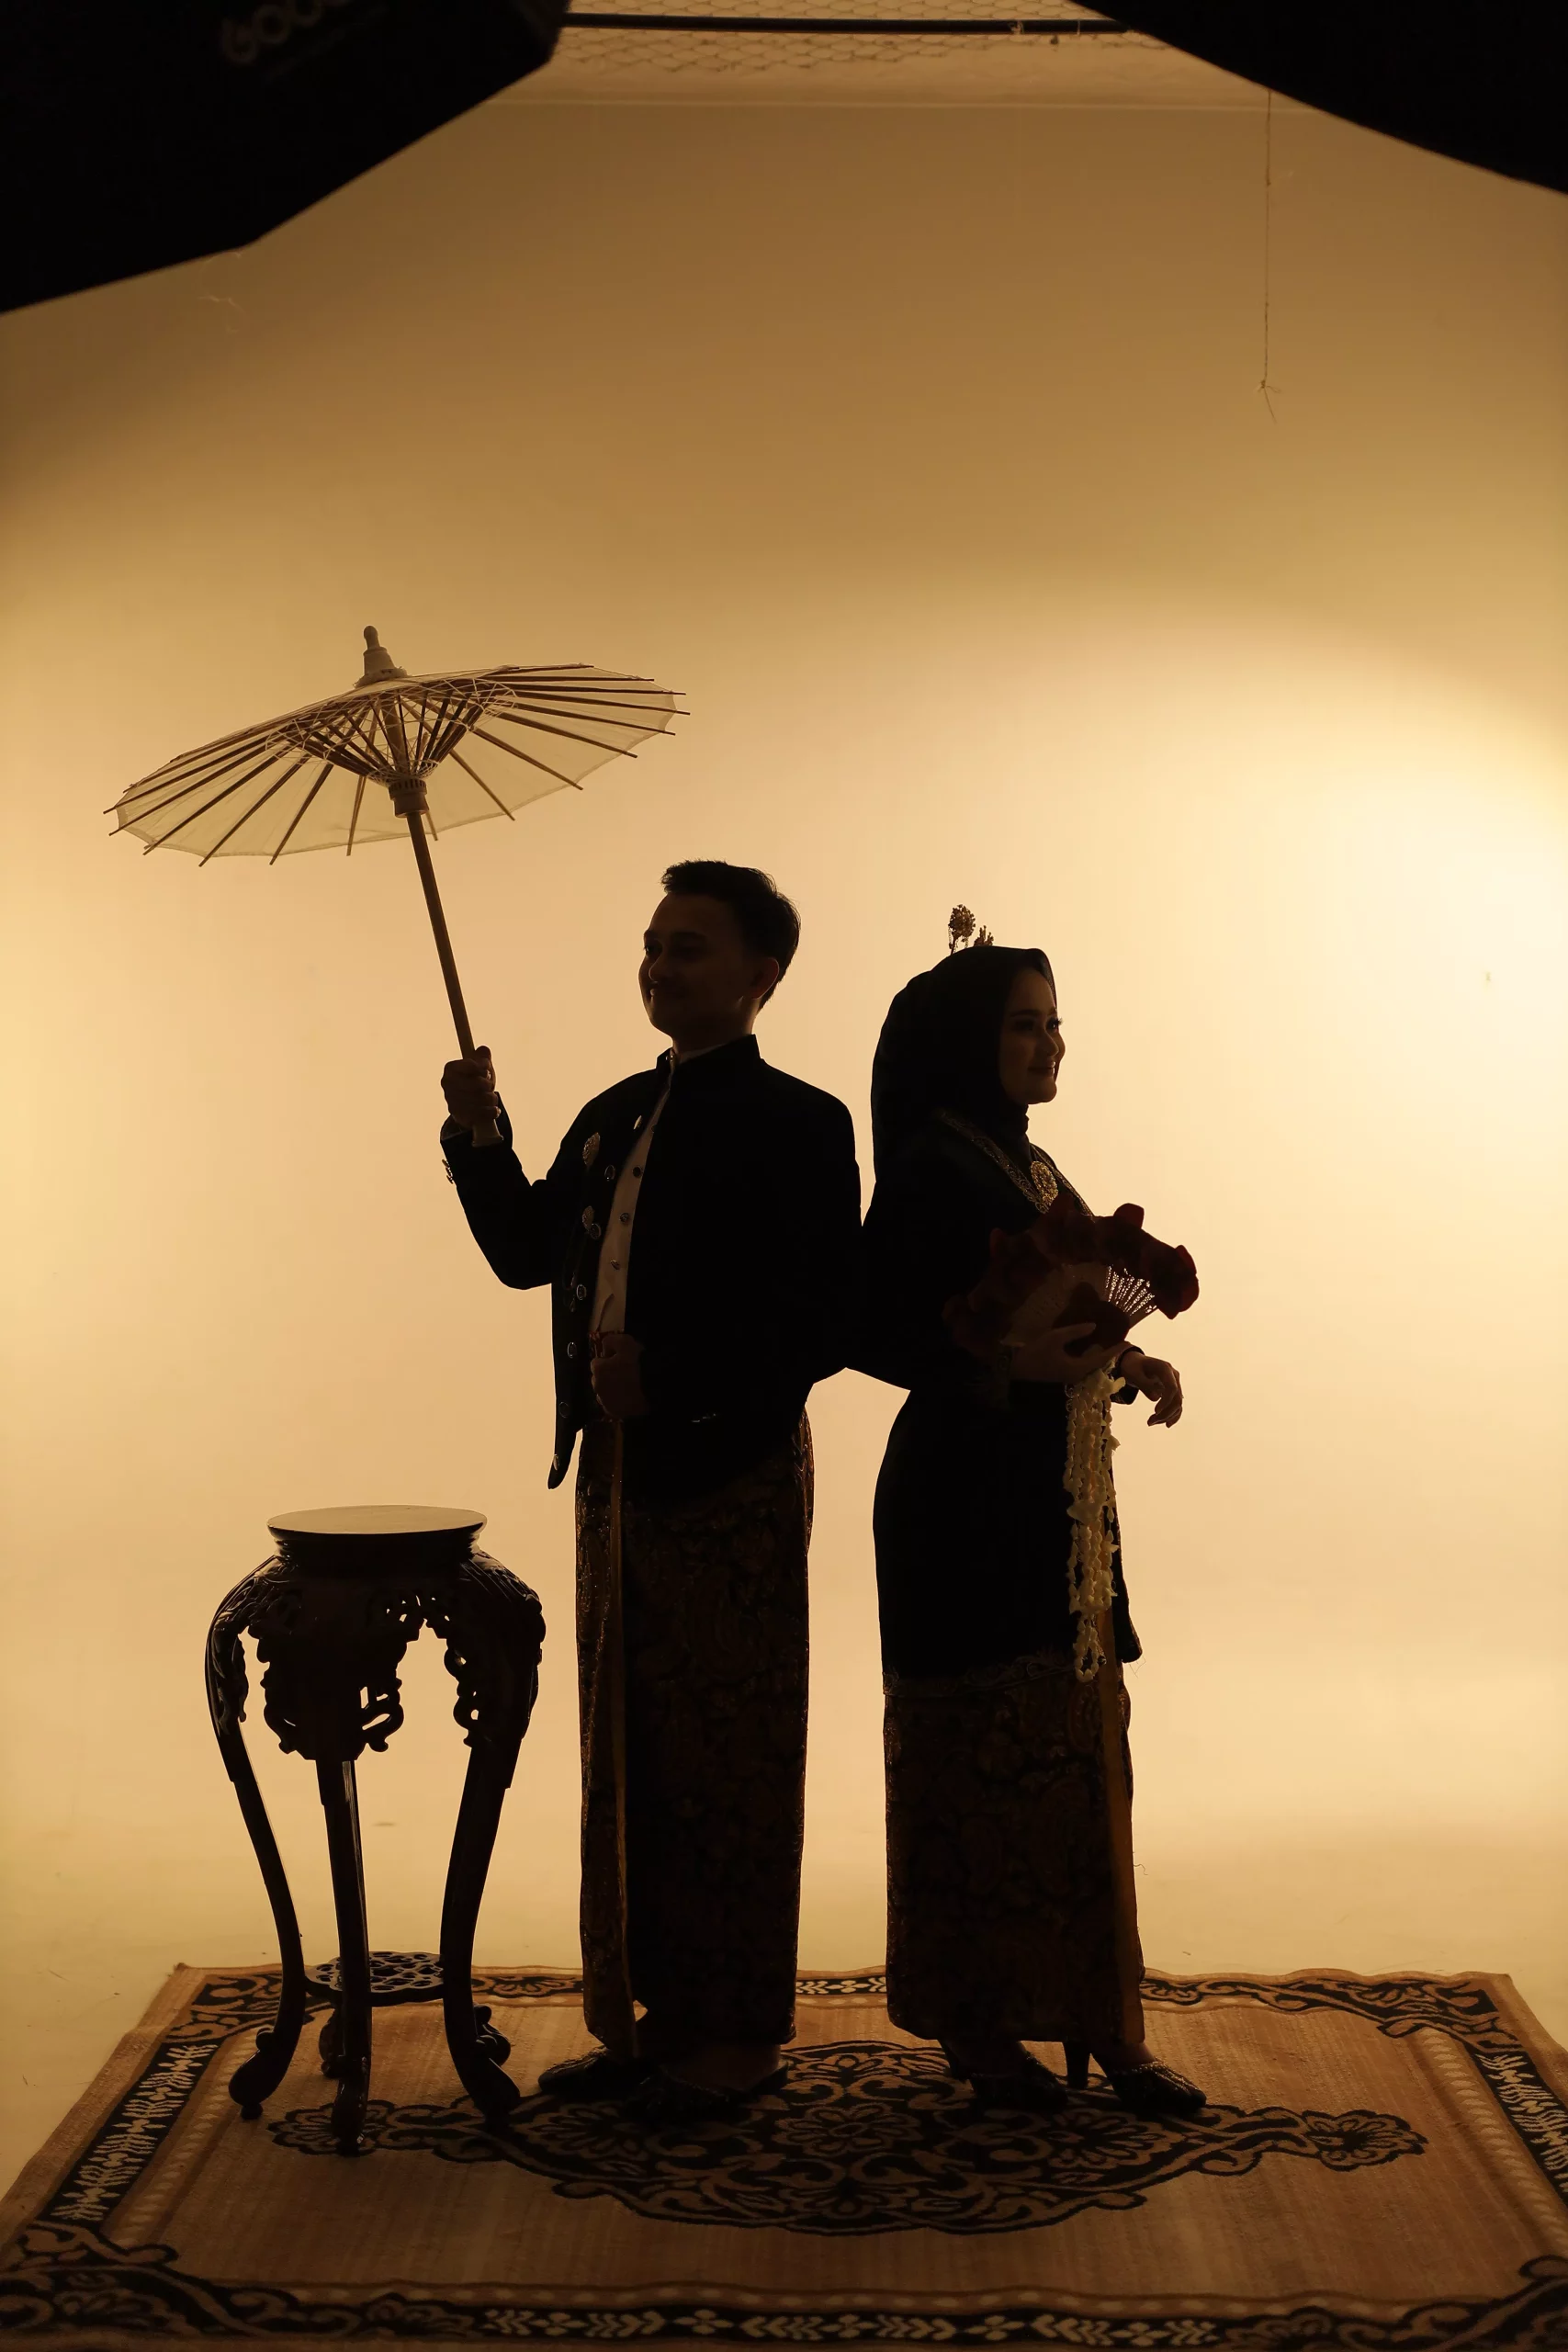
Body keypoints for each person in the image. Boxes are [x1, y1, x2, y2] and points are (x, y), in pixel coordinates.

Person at [439, 860, 862, 2123]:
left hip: (732, 1473)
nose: (659, 967)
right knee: (625, 1748)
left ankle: (733, 2041)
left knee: (729, 1752)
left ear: (761, 975)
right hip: (615, 1480)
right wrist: (481, 1132)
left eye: (689, 948)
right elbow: (526, 1253)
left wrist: (667, 1376)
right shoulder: (614, 1112)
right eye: (653, 945)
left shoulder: (801, 1124)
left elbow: (819, 1320)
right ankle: (643, 2020)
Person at [856, 933, 1204, 2117]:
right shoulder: (927, 1167)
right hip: (960, 1498)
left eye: (1054, 1021)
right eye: (1023, 1023)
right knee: (973, 1754)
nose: (1050, 1043)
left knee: (1080, 1748)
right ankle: (981, 2025)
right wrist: (1004, 1362)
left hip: (1055, 1493)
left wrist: (1128, 1358)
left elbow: (1073, 1311)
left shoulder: (1033, 1164)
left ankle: (1104, 2018)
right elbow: (869, 1326)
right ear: (971, 1039)